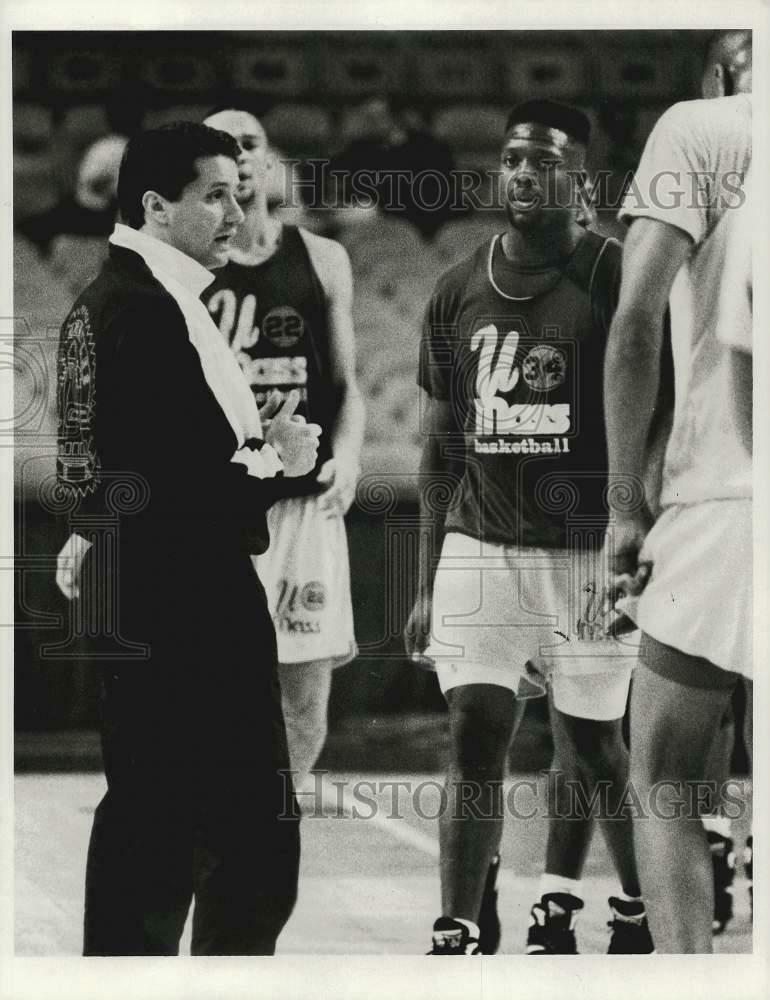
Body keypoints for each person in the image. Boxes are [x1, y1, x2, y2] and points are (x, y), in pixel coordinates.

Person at [55, 122, 321, 955]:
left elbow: (112, 473)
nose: (238, 218)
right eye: (217, 196)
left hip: (151, 595)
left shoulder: (126, 298)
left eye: (241, 196)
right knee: (246, 841)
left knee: (157, 826)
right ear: (155, 207)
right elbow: (175, 489)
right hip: (186, 604)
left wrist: (250, 454)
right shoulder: (143, 308)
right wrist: (277, 462)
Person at [406, 100, 665, 955]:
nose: (525, 173)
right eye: (514, 158)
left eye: (545, 162)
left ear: (579, 181)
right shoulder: (456, 286)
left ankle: (640, 904)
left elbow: (654, 411)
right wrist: (423, 578)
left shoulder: (615, 273)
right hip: (481, 547)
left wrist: (639, 524)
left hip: (589, 550)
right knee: (475, 731)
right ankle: (455, 923)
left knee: (595, 745)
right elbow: (441, 449)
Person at [603, 85, 751, 952]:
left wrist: (626, 507)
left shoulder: (702, 129)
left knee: (660, 775)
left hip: (725, 502)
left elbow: (634, 324)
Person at [200, 108, 364, 790]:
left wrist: (350, 455)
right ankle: (212, 827)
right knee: (212, 687)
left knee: (304, 698)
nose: (236, 158)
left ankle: (274, 829)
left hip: (303, 508)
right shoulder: (184, 268)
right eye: (218, 149)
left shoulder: (323, 259)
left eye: (247, 144)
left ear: (268, 162)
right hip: (217, 507)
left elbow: (348, 384)